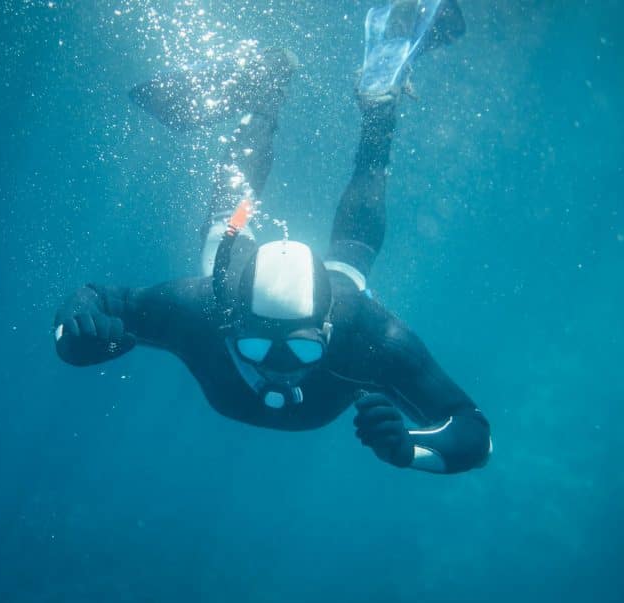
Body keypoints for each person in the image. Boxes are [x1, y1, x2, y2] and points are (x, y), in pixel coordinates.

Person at [54, 0, 491, 474]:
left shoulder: (362, 333)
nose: (279, 368)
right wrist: (80, 333)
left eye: (303, 349)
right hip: (240, 278)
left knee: (254, 231)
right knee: (238, 225)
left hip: (329, 295)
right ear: (231, 322)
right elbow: (95, 300)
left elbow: (475, 434)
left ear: (328, 329)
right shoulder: (202, 308)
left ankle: (289, 99)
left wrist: (411, 448)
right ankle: (305, 99)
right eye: (257, 348)